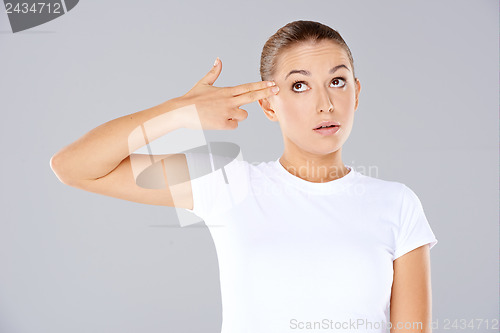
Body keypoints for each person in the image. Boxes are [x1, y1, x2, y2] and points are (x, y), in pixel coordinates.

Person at [50, 20, 438, 333]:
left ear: (355, 93)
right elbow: (73, 166)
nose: (325, 104)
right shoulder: (228, 183)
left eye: (337, 81)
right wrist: (180, 112)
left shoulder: (396, 203)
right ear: (269, 105)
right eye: (299, 85)